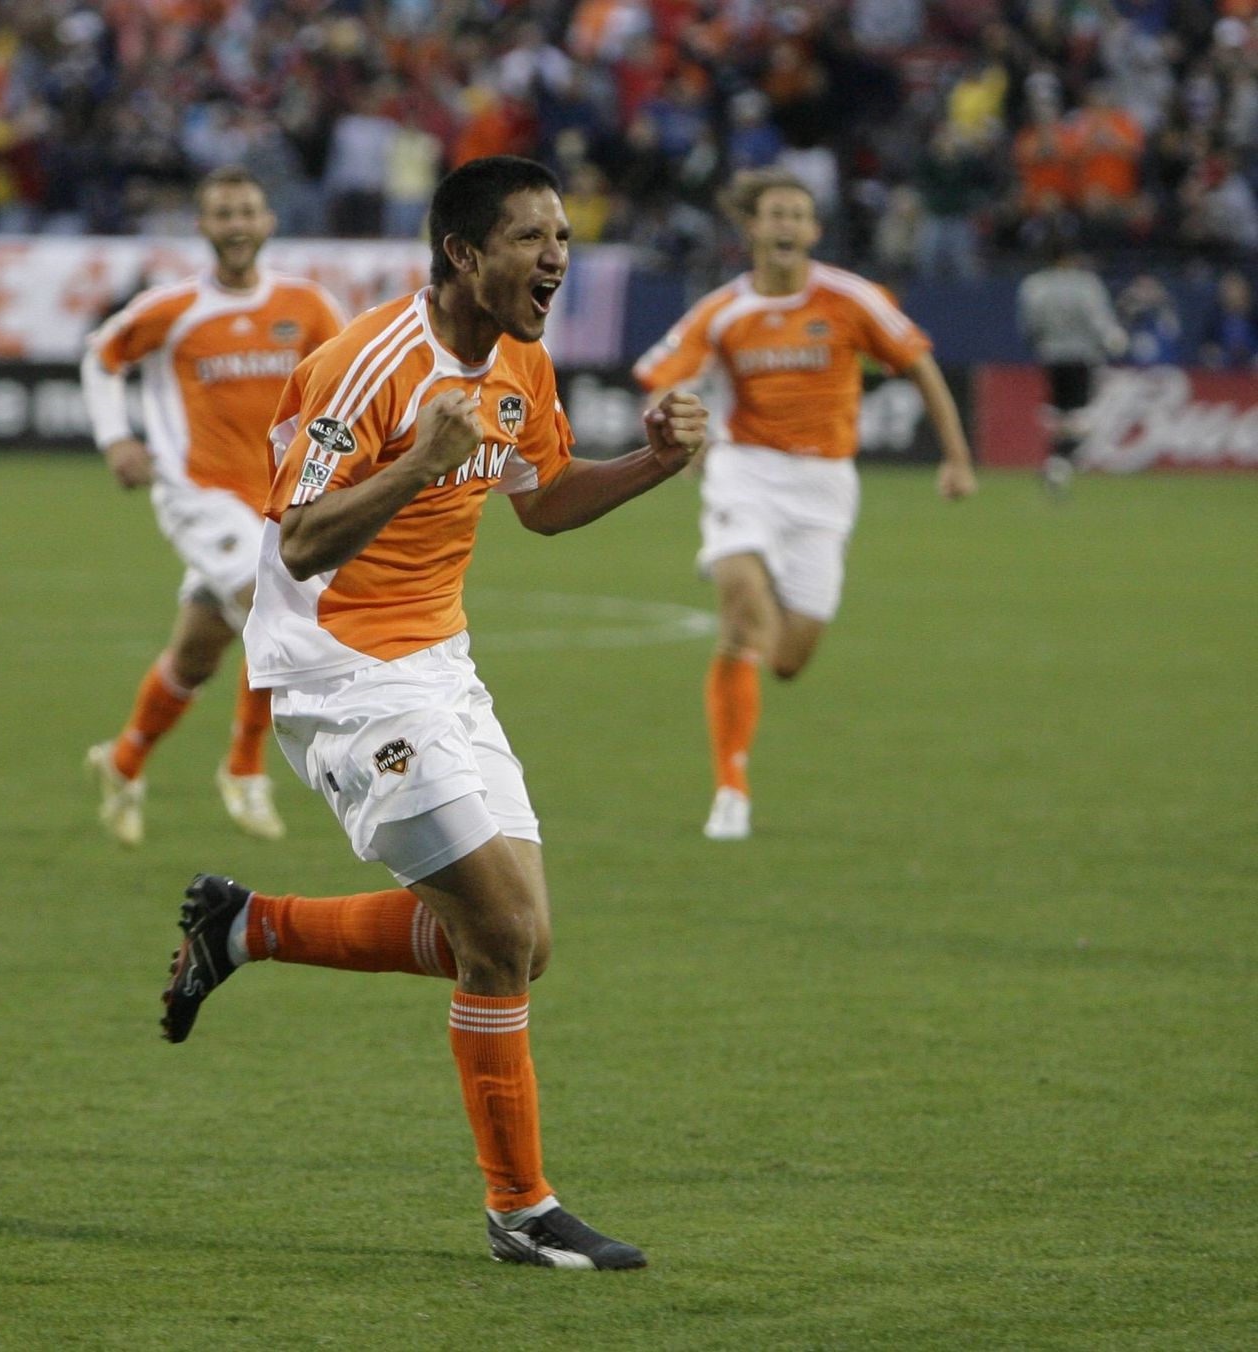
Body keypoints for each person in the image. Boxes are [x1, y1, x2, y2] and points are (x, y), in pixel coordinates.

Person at [159, 156, 708, 1271]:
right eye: (531, 237)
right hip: (338, 674)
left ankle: (245, 923)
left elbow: (542, 503)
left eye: (563, 236)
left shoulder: (524, 360)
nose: (558, 255)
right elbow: (301, 542)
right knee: (498, 935)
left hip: (440, 665)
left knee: (520, 941)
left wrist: (655, 460)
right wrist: (418, 463)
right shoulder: (360, 366)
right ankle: (520, 1207)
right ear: (462, 252)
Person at [634, 167, 976, 842]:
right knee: (740, 605)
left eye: (798, 214)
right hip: (745, 470)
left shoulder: (851, 299)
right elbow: (659, 379)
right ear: (752, 228)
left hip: (825, 487)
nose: (786, 224)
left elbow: (920, 364)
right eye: (775, 214)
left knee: (787, 658)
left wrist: (958, 458)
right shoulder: (723, 310)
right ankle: (730, 788)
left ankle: (751, 670)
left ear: (813, 230)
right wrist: (673, 432)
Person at [80, 166, 344, 846]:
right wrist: (116, 439)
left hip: (279, 502)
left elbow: (344, 388)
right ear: (202, 226)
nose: (235, 225)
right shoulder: (171, 309)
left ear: (268, 223)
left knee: (199, 651)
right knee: (269, 604)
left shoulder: (308, 306)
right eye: (222, 214)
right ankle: (245, 769)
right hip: (196, 491)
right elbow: (100, 356)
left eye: (247, 212)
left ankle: (123, 760)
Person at [1016, 242, 1126, 496]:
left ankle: (1057, 463)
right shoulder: (1086, 285)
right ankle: (1059, 464)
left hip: (1051, 357)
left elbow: (1029, 326)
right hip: (1081, 356)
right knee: (1080, 418)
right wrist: (1114, 339)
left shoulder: (1034, 286)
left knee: (1060, 414)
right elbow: (1099, 320)